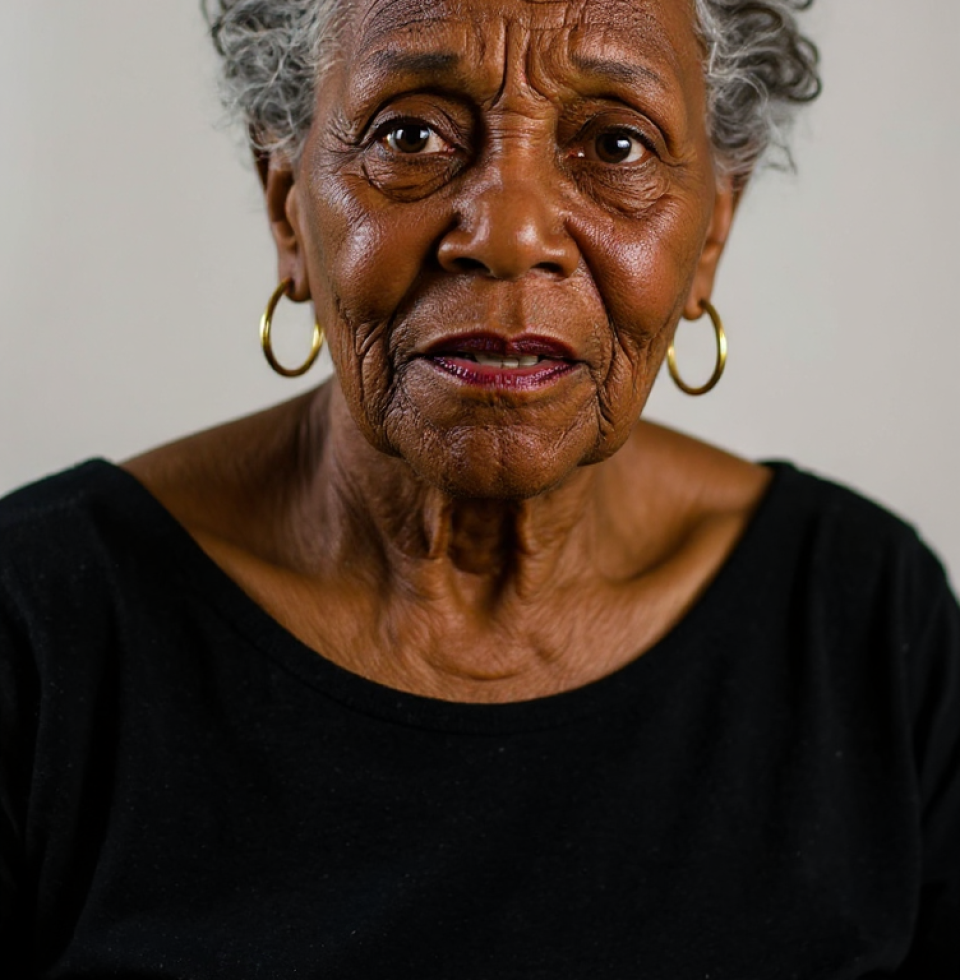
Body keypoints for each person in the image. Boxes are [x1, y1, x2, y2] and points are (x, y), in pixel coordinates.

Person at [1, 0, 957, 975]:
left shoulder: (867, 623)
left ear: (713, 228)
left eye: (615, 143)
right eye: (410, 133)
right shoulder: (38, 623)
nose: (507, 231)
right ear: (287, 200)